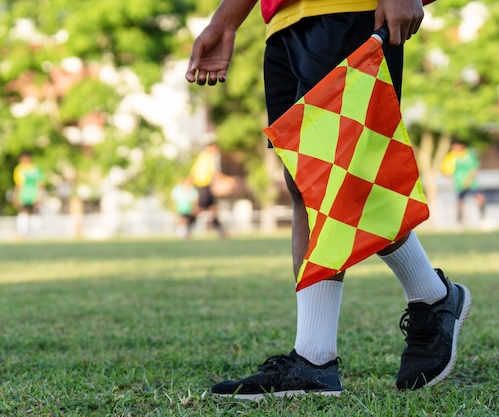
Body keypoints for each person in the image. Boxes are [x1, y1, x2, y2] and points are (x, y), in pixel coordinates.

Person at [186, 0, 472, 399]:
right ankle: (426, 301)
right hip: (283, 22)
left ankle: (317, 357)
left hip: (346, 9)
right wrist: (227, 19)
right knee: (306, 182)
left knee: (340, 177)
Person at [441, 140, 487, 225]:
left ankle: (483, 219)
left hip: (471, 182)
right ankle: (459, 222)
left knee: (480, 198)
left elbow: (475, 166)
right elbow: (446, 170)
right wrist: (450, 180)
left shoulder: (469, 154)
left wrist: (470, 179)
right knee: (459, 201)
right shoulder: (451, 156)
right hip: (459, 183)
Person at [189, 142, 227, 238]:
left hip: (205, 187)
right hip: (204, 186)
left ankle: (221, 231)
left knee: (213, 209)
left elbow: (193, 172)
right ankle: (186, 228)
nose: (216, 151)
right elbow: (214, 172)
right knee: (199, 209)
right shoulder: (208, 157)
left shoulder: (201, 157)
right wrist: (226, 179)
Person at [13, 151, 45, 237]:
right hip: (23, 195)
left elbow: (41, 184)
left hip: (35, 194)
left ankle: (37, 232)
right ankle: (22, 232)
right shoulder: (19, 169)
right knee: (23, 212)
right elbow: (18, 184)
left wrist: (41, 196)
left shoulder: (36, 169)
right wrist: (16, 196)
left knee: (35, 212)